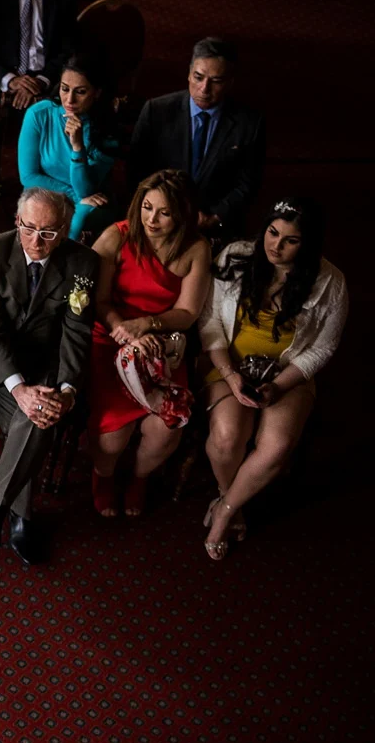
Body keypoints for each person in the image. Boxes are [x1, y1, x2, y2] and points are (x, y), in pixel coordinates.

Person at [198, 199, 347, 560]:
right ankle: (229, 494)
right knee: (226, 438)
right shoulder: (235, 256)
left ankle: (226, 510)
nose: (275, 246)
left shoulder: (331, 282)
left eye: (290, 240)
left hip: (288, 372)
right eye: (272, 232)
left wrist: (279, 386)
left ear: (307, 244)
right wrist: (232, 378)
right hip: (229, 362)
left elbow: (322, 350)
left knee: (277, 446)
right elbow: (210, 322)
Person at [0, 187, 98, 564]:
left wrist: (68, 388)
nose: (37, 240)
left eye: (49, 232)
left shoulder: (83, 264)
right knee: (36, 417)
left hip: (45, 365)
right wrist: (19, 388)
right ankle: (20, 517)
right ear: (17, 221)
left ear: (66, 229)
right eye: (29, 228)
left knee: (38, 415)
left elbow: (77, 331)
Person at [85, 171, 212, 517]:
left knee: (166, 428)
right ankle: (104, 476)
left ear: (182, 214)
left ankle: (139, 478)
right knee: (112, 436)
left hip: (161, 344)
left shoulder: (196, 248)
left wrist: (149, 326)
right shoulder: (117, 236)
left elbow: (187, 311)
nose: (151, 219)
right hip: (111, 338)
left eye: (164, 212)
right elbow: (96, 300)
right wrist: (123, 329)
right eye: (147, 207)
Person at [128, 38, 266, 239]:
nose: (204, 89)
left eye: (216, 81)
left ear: (229, 82)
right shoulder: (156, 111)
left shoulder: (250, 123)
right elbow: (136, 170)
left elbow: (248, 182)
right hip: (156, 220)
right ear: (189, 74)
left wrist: (215, 216)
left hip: (215, 226)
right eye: (198, 77)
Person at [16, 53, 116, 240]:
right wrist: (73, 197)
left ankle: (64, 262)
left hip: (85, 202)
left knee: (84, 211)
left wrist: (78, 146)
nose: (69, 100)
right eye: (64, 89)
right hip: (40, 193)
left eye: (80, 92)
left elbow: (85, 192)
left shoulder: (106, 133)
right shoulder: (39, 114)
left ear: (97, 93)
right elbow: (28, 176)